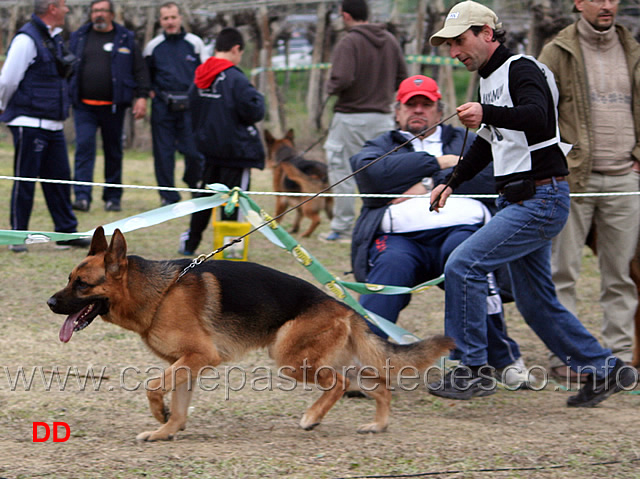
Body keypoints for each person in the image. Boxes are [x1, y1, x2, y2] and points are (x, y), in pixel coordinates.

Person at [427, 1, 635, 405]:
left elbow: (539, 117)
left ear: (487, 33)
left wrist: (487, 111)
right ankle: (604, 369)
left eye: (459, 41)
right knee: (534, 301)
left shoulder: (522, 68)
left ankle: (473, 370)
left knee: (463, 264)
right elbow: (490, 141)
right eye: (449, 44)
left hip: (540, 197)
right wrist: (452, 181)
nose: (454, 52)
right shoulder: (489, 79)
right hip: (520, 199)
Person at [351, 75, 527, 388]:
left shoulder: (469, 140)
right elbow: (372, 178)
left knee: (469, 263)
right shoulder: (381, 144)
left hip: (459, 232)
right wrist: (442, 163)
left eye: (426, 104)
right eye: (411, 104)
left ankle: (500, 358)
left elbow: (489, 175)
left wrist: (427, 183)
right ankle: (367, 364)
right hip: (400, 240)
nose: (418, 110)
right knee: (391, 265)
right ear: (398, 111)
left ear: (438, 109)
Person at [538, 0, 640, 381]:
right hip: (572, 178)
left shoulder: (634, 49)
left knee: (621, 274)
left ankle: (621, 358)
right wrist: (556, 164)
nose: (608, 5)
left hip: (624, 179)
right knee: (561, 272)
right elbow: (539, 111)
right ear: (579, 3)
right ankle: (565, 357)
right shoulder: (557, 50)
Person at [0, 0, 89, 253]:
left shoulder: (54, 37)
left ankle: (66, 233)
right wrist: (2, 105)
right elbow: (7, 79)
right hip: (29, 122)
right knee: (25, 181)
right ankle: (17, 237)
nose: (67, 10)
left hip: (53, 123)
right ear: (52, 8)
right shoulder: (26, 39)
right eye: (64, 5)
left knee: (60, 181)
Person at [320, 0, 408, 243]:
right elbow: (403, 78)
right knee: (382, 174)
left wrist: (329, 86)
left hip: (350, 118)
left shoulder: (349, 42)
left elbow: (342, 78)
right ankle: (387, 225)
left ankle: (343, 229)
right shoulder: (390, 40)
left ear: (346, 15)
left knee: (343, 173)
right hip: (383, 118)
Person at [178, 27, 265, 256]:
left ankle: (190, 243)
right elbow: (254, 111)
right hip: (236, 153)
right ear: (236, 49)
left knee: (204, 200)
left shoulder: (201, 74)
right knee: (234, 203)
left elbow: (192, 106)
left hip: (209, 151)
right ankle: (230, 252)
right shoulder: (235, 77)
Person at [68, 0, 150, 212]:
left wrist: (141, 97)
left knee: (113, 152)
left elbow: (140, 70)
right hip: (84, 106)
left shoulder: (125, 38)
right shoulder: (79, 36)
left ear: (112, 14)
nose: (99, 15)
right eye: (95, 11)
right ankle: (82, 196)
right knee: (84, 149)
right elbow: (67, 66)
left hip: (114, 107)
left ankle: (112, 197)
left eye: (103, 10)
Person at [143, 1, 207, 206]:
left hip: (190, 107)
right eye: (165, 18)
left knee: (194, 151)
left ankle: (195, 184)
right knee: (163, 154)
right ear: (160, 21)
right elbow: (146, 76)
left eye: (173, 17)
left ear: (180, 18)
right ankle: (168, 196)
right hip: (163, 106)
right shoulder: (153, 47)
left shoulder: (194, 43)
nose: (170, 22)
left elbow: (205, 73)